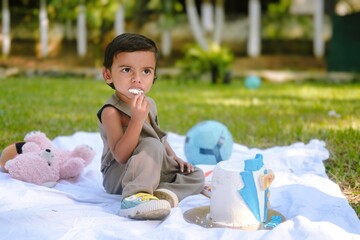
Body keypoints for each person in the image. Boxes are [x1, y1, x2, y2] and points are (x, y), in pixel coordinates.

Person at [97, 33, 205, 220]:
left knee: (195, 174)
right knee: (150, 145)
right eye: (126, 70)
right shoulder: (111, 112)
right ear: (108, 75)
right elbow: (121, 156)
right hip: (119, 175)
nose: (137, 79)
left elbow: (158, 136)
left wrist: (173, 156)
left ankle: (165, 194)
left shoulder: (149, 103)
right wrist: (136, 120)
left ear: (154, 75)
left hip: (149, 165)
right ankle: (134, 197)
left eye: (146, 71)